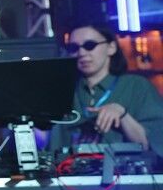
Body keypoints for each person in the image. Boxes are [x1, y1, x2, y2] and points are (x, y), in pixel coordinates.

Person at [50, 22, 163, 154]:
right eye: (74, 48)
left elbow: (150, 144)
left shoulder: (136, 86)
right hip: (70, 166)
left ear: (111, 47)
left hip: (123, 166)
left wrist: (122, 115)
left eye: (90, 45)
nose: (81, 53)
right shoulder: (63, 91)